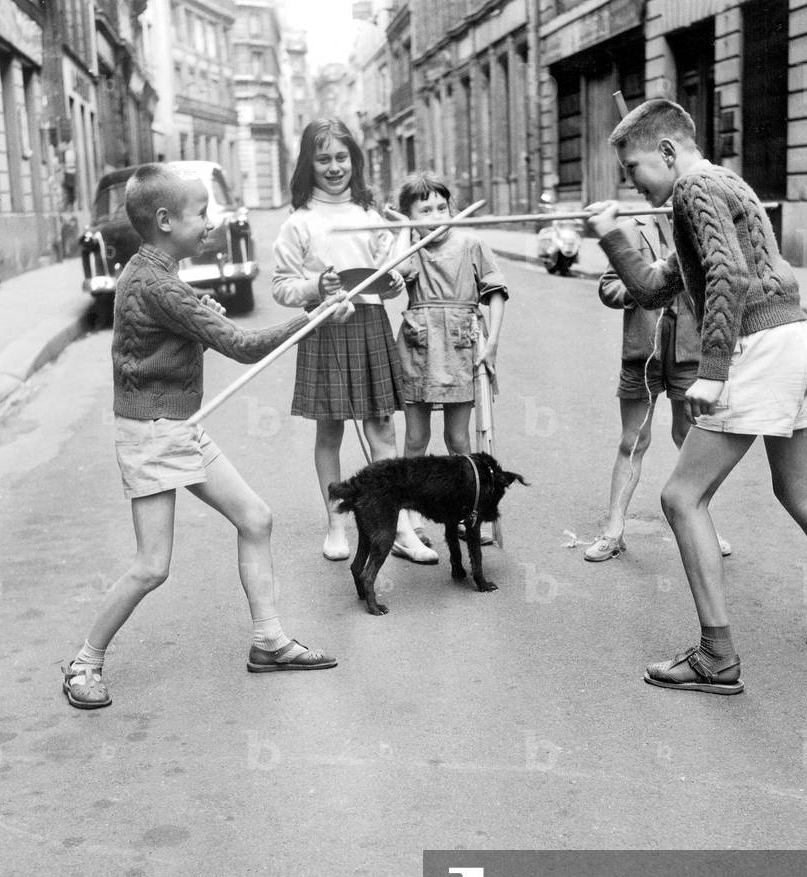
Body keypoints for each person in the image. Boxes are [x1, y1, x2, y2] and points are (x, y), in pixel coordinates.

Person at [587, 98, 807, 695]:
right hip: (794, 339)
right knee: (798, 490)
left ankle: (717, 657)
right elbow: (655, 289)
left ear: (667, 151)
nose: (632, 183)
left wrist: (712, 370)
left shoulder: (693, 189)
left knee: (681, 497)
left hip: (759, 347)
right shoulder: (722, 185)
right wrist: (613, 237)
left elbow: (728, 276)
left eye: (634, 169)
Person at [62, 163, 342, 710]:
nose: (211, 223)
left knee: (255, 518)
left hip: (176, 424)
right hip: (153, 432)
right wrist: (314, 314)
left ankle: (269, 641)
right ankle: (84, 663)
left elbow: (164, 336)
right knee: (152, 566)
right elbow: (243, 346)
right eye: (201, 213)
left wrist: (196, 324)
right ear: (166, 221)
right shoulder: (159, 284)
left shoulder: (151, 273)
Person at [271, 119, 437, 565]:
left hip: (369, 323)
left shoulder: (370, 215)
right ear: (308, 164)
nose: (334, 167)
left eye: (341, 157)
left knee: (382, 428)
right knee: (330, 430)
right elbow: (281, 286)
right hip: (325, 326)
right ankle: (336, 524)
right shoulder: (299, 222)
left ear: (354, 160)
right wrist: (315, 287)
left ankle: (399, 528)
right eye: (323, 158)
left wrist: (394, 279)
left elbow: (389, 274)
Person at [585, 214, 731, 562]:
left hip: (689, 352)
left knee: (690, 440)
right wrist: (640, 286)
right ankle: (613, 531)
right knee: (632, 441)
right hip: (642, 351)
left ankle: (703, 526)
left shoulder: (701, 226)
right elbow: (608, 288)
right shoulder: (631, 230)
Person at [385, 172, 508, 546]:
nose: (437, 215)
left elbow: (495, 292)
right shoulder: (410, 249)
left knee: (458, 439)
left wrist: (492, 343)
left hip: (460, 347)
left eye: (442, 207)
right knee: (416, 438)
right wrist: (404, 232)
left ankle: (468, 512)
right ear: (410, 217)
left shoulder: (471, 244)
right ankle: (409, 518)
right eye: (425, 211)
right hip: (419, 347)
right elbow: (397, 273)